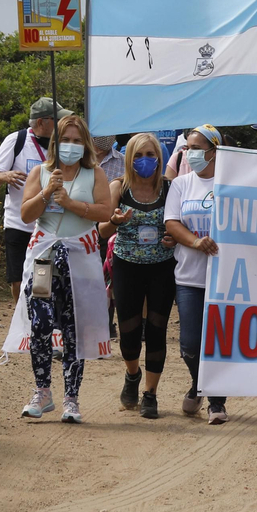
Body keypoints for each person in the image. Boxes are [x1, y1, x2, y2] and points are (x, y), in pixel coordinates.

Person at [15, 114, 112, 424]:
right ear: (56, 143)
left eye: (76, 140)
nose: (70, 146)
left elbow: (104, 211)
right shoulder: (41, 172)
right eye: (65, 140)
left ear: (85, 144)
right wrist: (47, 192)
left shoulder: (94, 174)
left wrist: (71, 203)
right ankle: (42, 391)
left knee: (75, 329)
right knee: (41, 322)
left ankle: (72, 397)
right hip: (45, 257)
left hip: (80, 257)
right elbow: (27, 214)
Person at [160, 126, 238, 424]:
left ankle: (216, 402)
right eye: (186, 148)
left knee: (218, 342)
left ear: (214, 150)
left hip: (226, 278)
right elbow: (171, 223)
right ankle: (198, 384)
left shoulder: (232, 183)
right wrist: (195, 241)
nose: (189, 153)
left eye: (196, 147)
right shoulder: (180, 185)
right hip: (190, 277)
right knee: (190, 344)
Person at [107, 133, 178, 419]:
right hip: (127, 265)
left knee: (158, 328)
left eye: (150, 155)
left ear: (159, 159)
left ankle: (150, 394)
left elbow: (179, 224)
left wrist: (174, 237)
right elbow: (101, 229)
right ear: (128, 158)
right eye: (138, 155)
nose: (144, 160)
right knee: (129, 328)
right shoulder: (119, 187)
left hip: (162, 266)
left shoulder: (170, 188)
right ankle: (132, 374)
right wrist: (114, 221)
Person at [0, 97, 69, 302]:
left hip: (52, 225)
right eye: (56, 119)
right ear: (41, 122)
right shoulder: (17, 140)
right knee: (18, 280)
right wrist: (5, 176)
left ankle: (43, 322)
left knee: (47, 279)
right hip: (19, 222)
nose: (60, 124)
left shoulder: (63, 144)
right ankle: (21, 322)